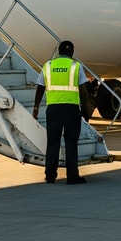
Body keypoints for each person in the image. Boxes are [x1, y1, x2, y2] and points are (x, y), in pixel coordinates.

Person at [32, 40, 92, 184]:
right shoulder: (76, 66)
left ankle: (50, 176)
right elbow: (84, 93)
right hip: (71, 110)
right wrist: (87, 111)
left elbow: (40, 87)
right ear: (72, 53)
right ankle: (72, 176)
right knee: (71, 143)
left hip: (53, 110)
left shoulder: (48, 66)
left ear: (58, 52)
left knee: (53, 142)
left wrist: (36, 106)